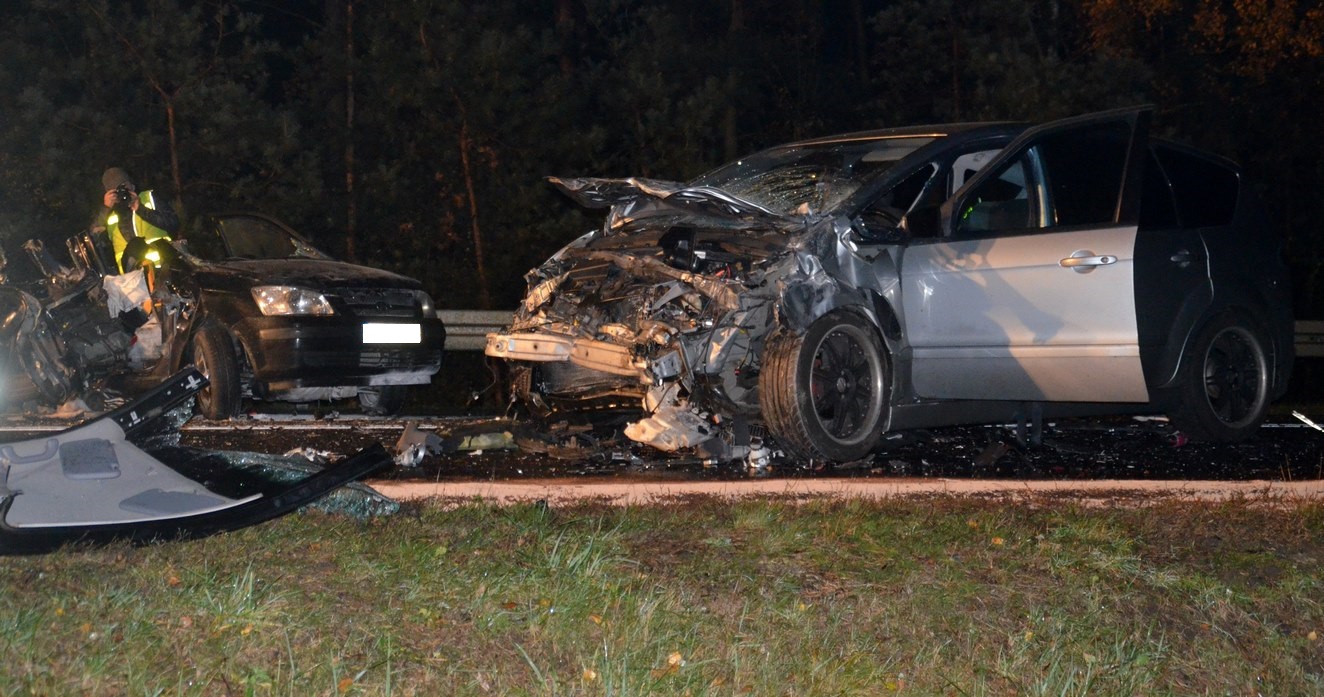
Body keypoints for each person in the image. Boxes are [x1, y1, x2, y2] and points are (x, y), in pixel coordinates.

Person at [92, 167, 179, 273]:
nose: (122, 192)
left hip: (165, 269)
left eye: (124, 186)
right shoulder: (108, 215)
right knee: (135, 245)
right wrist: (105, 208)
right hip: (132, 279)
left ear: (132, 185)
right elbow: (92, 241)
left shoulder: (148, 198)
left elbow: (173, 223)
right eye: (116, 191)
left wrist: (141, 209)